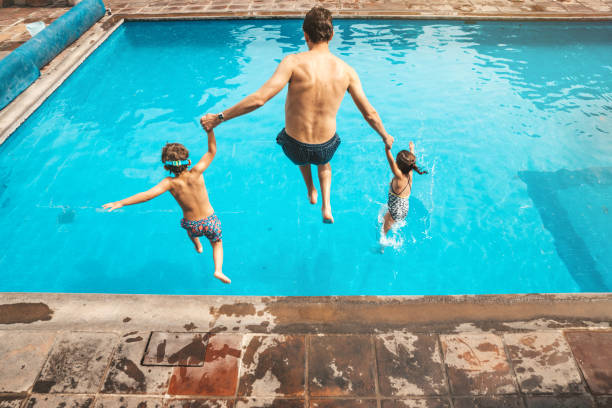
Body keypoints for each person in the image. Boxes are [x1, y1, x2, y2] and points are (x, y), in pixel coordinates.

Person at [200, 6, 393, 224]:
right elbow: (369, 113)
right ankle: (326, 204)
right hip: (325, 147)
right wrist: (385, 135)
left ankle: (311, 190)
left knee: (301, 154)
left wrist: (219, 117)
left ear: (305, 34)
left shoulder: (293, 62)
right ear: (332, 34)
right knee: (324, 164)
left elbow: (259, 99)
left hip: (294, 146)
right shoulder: (347, 71)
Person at [102, 129, 230, 284]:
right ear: (188, 162)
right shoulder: (197, 171)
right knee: (217, 244)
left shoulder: (169, 183)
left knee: (190, 230)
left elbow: (147, 195)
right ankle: (218, 270)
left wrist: (120, 202)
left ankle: (197, 245)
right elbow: (211, 151)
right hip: (210, 221)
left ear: (165, 167)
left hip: (192, 224)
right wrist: (210, 131)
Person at [382, 141, 427, 236]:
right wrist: (412, 149)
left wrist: (387, 149)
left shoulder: (399, 177)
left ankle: (382, 245)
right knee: (388, 218)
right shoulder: (410, 173)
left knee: (384, 230)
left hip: (396, 209)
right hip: (404, 207)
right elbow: (411, 162)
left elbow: (391, 162)